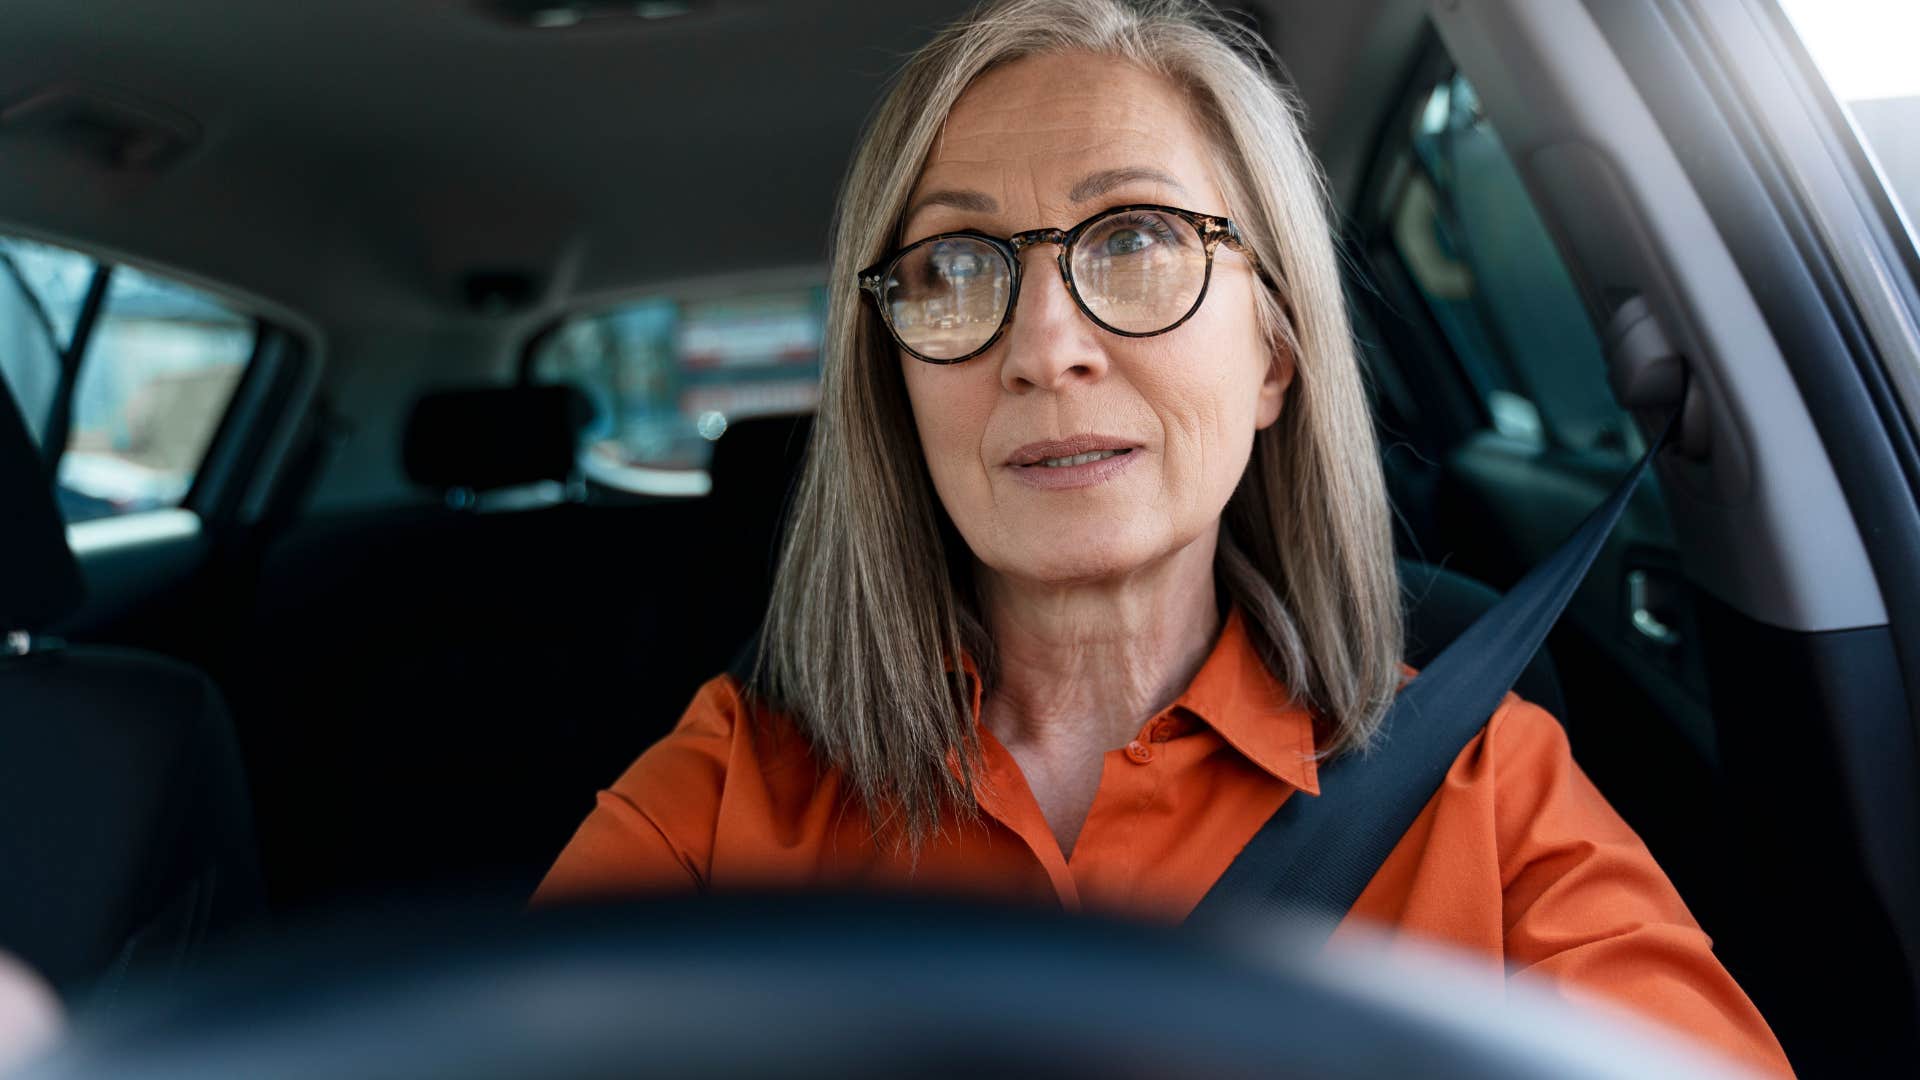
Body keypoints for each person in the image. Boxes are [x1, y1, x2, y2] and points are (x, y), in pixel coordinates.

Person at [536, 0, 1791, 1073]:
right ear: (894, 381)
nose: (1043, 350)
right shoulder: (720, 799)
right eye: (957, 267)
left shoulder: (1489, 790)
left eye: (1134, 242)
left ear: (1275, 356)